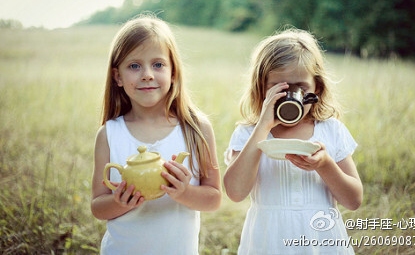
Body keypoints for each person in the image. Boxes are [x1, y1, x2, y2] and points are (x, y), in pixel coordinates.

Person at [223, 28, 363, 254]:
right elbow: (235, 192)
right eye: (280, 87)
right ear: (262, 87)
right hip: (269, 241)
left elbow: (354, 200)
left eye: (301, 87)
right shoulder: (248, 133)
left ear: (316, 87)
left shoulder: (331, 130)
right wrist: (262, 127)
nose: (291, 96)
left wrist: (325, 165)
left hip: (321, 240)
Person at [91, 14, 222, 255]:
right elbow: (98, 207)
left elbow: (213, 198)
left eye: (158, 64)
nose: (147, 74)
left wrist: (185, 192)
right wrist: (118, 202)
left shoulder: (196, 128)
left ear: (173, 73)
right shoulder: (109, 134)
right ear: (118, 77)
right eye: (134, 66)